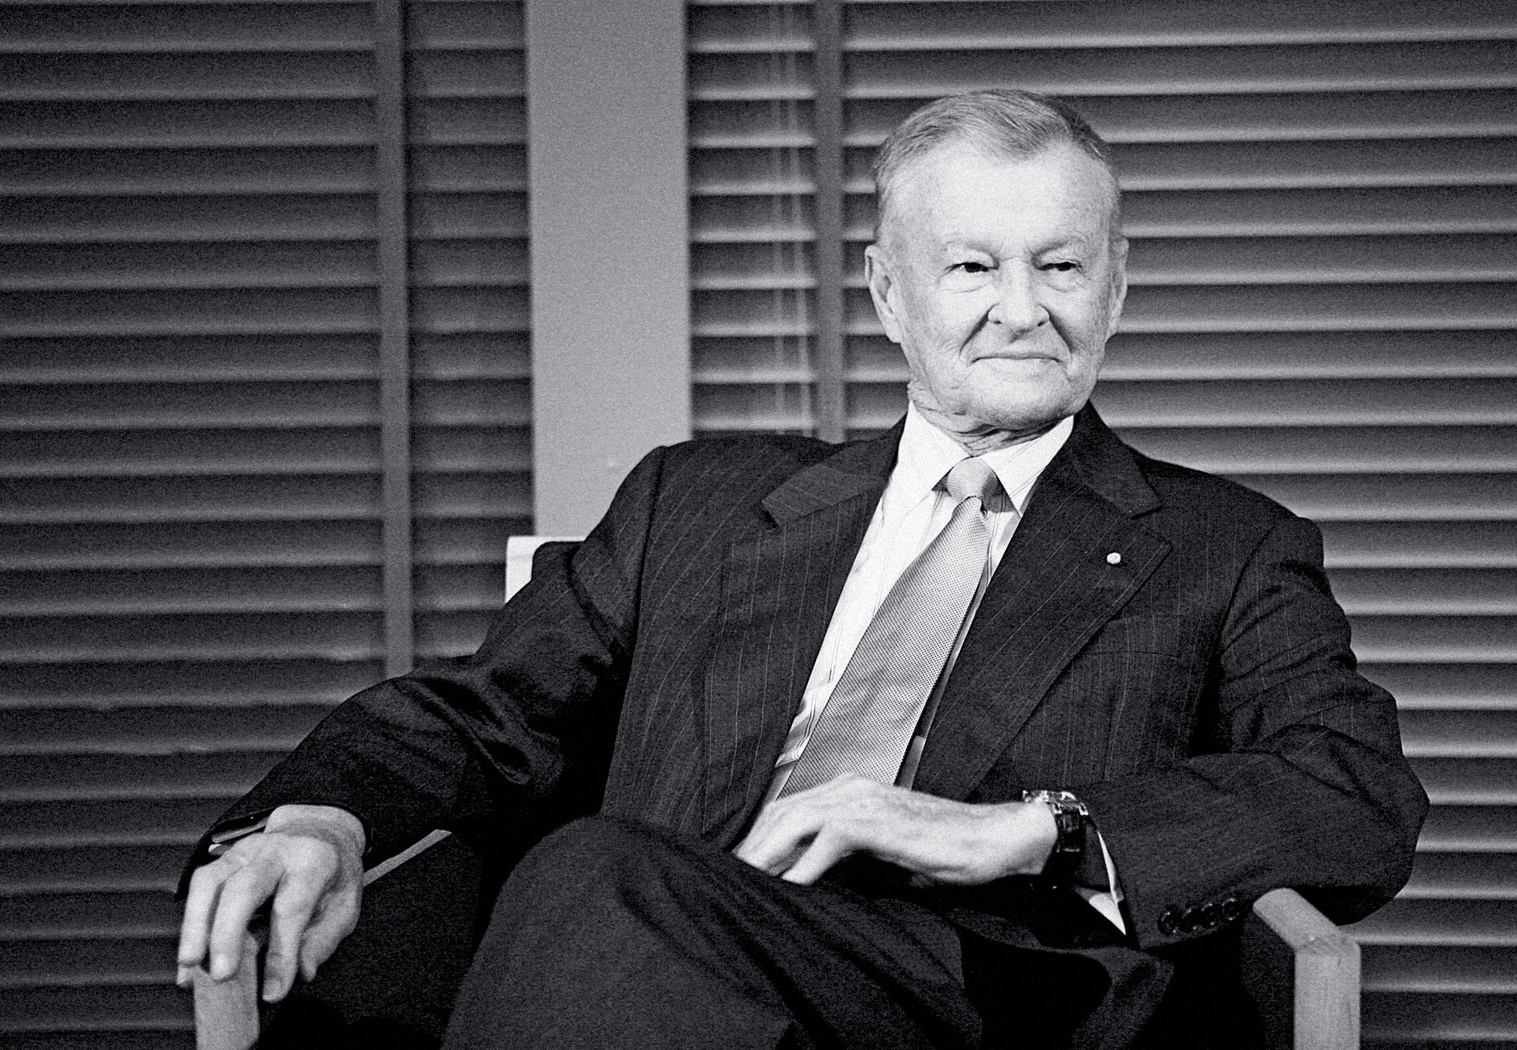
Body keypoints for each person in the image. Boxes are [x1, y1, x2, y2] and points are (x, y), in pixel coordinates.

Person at [176, 89, 1427, 1049]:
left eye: (1061, 265)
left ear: (1116, 287)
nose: (1021, 307)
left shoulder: (1223, 543)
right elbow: (485, 709)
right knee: (590, 895)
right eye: (972, 266)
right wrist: (322, 818)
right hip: (669, 954)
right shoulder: (696, 501)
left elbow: (1357, 791)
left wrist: (1024, 832)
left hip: (975, 993)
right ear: (887, 293)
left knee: (591, 877)